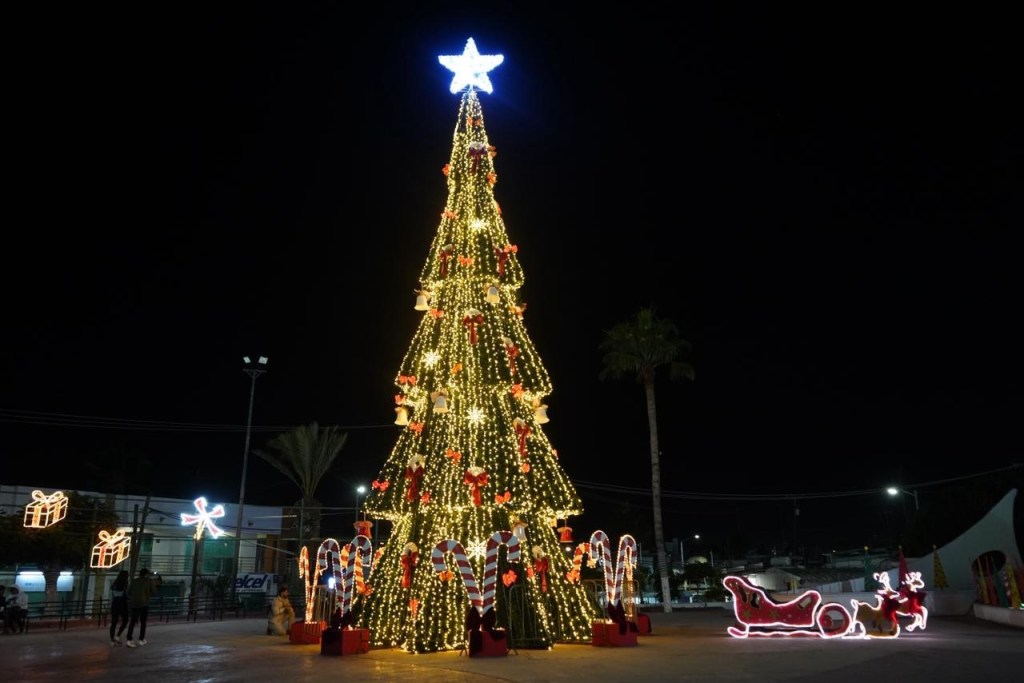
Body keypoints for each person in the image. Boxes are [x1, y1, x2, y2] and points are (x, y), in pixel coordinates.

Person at [125, 568, 156, 647]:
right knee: (143, 622)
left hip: (134, 604)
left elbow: (128, 593)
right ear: (146, 574)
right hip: (144, 604)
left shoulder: (134, 581)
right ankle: (141, 639)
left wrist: (133, 598)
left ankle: (129, 639)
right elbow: (154, 591)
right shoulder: (149, 581)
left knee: (132, 622)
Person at [108, 570, 130, 645]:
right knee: (125, 620)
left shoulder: (115, 582)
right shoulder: (125, 582)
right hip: (122, 603)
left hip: (115, 603)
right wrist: (129, 598)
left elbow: (112, 590)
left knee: (114, 622)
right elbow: (125, 594)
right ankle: (117, 636)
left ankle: (112, 640)